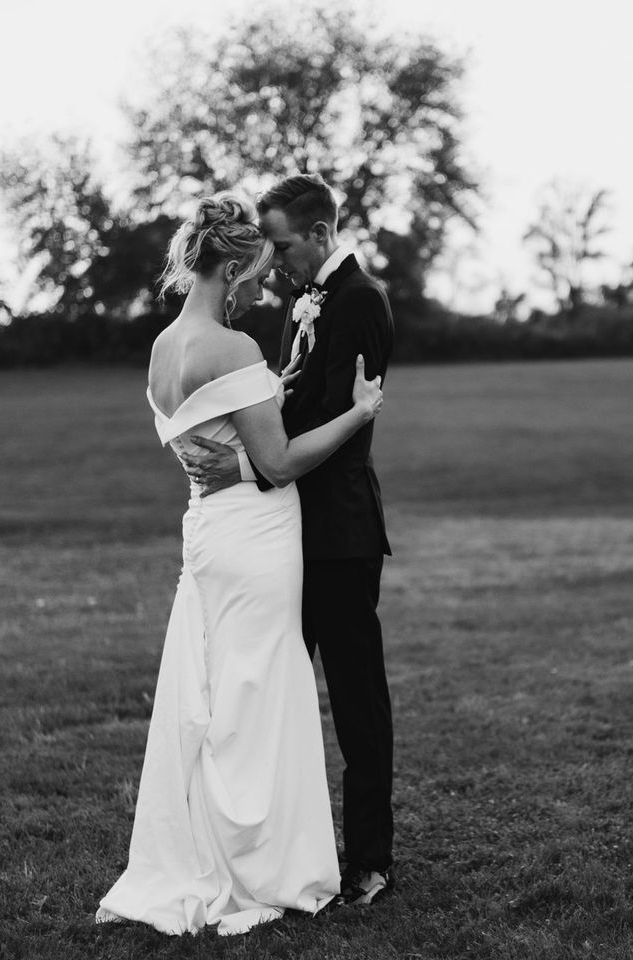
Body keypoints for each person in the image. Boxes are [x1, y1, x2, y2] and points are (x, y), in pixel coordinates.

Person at [95, 192, 384, 937]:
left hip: (206, 533)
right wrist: (357, 412)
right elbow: (279, 461)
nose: (264, 291)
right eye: (254, 277)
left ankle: (209, 846)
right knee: (263, 693)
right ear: (227, 268)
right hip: (257, 539)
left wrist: (271, 394)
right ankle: (262, 858)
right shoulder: (236, 349)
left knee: (218, 692)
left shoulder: (165, 349)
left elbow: (212, 433)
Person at [181, 173, 396, 906]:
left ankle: (370, 857)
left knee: (355, 698)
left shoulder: (363, 302)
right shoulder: (299, 305)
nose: (275, 266)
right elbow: (281, 403)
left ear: (322, 235)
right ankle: (270, 852)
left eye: (282, 247)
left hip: (337, 532)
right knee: (271, 696)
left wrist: (244, 462)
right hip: (279, 532)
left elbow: (334, 419)